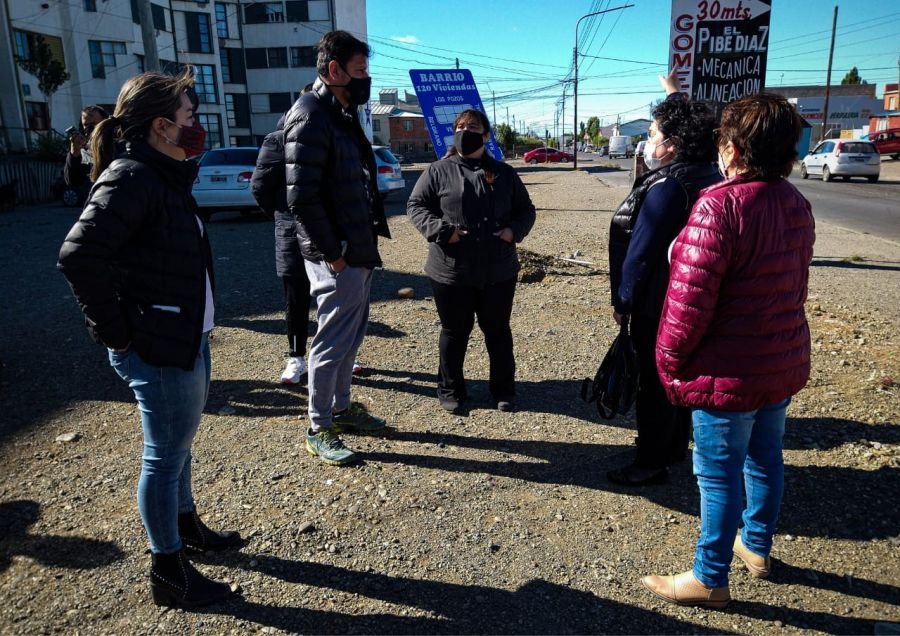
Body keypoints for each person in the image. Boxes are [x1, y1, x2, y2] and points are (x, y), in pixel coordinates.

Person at [57, 70, 241, 609]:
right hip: (158, 345)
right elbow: (78, 256)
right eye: (189, 117)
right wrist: (119, 334)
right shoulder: (133, 176)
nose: (196, 125)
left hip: (186, 336)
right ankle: (168, 572)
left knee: (179, 451)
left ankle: (187, 531)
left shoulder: (166, 173)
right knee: (163, 458)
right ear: (162, 125)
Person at [642, 93, 815, 608]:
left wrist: (669, 365)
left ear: (734, 148)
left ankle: (710, 577)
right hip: (778, 360)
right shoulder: (795, 202)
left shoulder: (720, 205)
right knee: (765, 458)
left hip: (726, 369)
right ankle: (756, 547)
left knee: (717, 475)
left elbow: (687, 303)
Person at [606, 71, 721, 486]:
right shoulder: (709, 172)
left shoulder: (669, 186)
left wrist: (623, 301)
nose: (649, 141)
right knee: (680, 377)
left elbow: (640, 253)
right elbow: (694, 118)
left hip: (660, 302)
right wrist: (673, 92)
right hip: (694, 301)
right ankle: (673, 448)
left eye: (653, 133)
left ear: (671, 145)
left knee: (654, 383)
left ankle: (649, 461)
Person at [283, 30, 390, 465]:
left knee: (350, 336)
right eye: (360, 70)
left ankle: (342, 409)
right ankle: (318, 426)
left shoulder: (343, 113)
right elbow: (300, 197)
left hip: (356, 247)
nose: (365, 78)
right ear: (334, 70)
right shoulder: (309, 114)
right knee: (331, 341)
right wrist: (334, 253)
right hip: (336, 254)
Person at [407, 109, 536, 413]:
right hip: (451, 271)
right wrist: (441, 231)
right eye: (460, 127)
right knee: (454, 331)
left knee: (498, 331)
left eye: (473, 127)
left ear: (486, 135)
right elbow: (415, 206)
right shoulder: (438, 171)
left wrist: (513, 232)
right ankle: (451, 389)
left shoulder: (505, 173)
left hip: (498, 270)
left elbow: (526, 210)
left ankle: (503, 390)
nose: (466, 131)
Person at [252, 85, 364, 385]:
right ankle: (296, 357)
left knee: (335, 298)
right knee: (296, 298)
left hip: (334, 234)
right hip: (292, 236)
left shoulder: (338, 135)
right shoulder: (277, 140)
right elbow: (260, 188)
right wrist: (286, 214)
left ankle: (338, 355)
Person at [64, 105, 108, 196]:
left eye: (93, 124)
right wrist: (74, 152)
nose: (89, 129)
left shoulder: (117, 144)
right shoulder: (85, 149)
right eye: (86, 125)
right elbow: (72, 181)